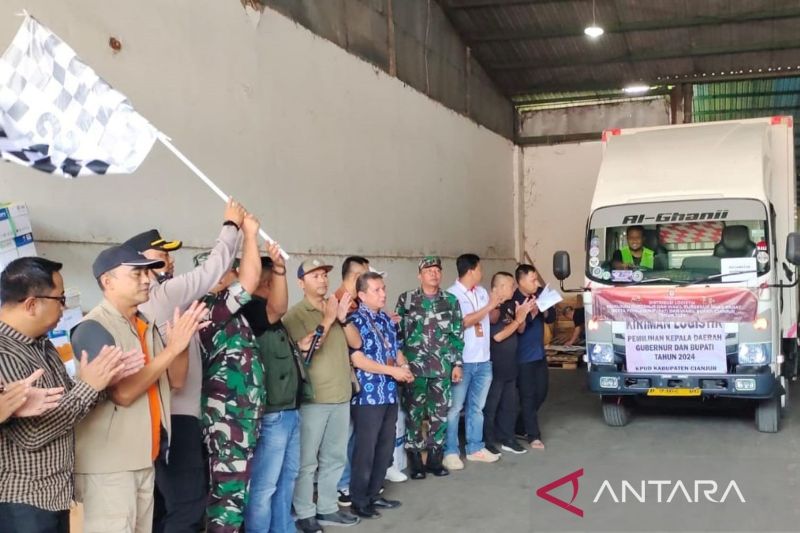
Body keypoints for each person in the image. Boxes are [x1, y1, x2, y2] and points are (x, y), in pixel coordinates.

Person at [126, 199, 246, 533]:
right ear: (143, 263)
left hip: (166, 415)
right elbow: (211, 272)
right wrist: (231, 226)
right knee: (188, 505)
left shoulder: (152, 301)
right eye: (162, 256)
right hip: (175, 418)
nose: (170, 260)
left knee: (166, 505)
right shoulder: (163, 295)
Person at [70, 246, 206, 533]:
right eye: (137, 273)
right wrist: (171, 351)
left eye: (147, 271)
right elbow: (123, 393)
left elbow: (176, 380)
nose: (147, 279)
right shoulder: (93, 327)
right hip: (110, 467)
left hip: (145, 458)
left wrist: (179, 344)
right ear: (108, 282)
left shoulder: (144, 324)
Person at [0, 257, 138, 533]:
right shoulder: (5, 352)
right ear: (31, 304)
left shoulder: (42, 344)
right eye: (60, 299)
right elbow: (32, 434)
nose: (64, 307)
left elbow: (67, 403)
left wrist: (101, 383)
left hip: (53, 496)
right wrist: (89, 386)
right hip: (22, 501)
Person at [196, 214, 266, 533]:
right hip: (227, 419)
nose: (232, 275)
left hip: (240, 415)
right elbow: (250, 281)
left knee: (236, 493)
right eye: (225, 269)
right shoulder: (208, 308)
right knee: (228, 495)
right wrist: (248, 235)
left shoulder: (228, 310)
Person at [283, 258, 362, 532]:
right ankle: (304, 511)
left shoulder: (334, 307)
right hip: (314, 399)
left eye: (324, 275)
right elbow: (305, 351)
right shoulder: (295, 315)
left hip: (340, 396)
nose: (322, 279)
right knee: (307, 461)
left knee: (335, 457)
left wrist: (342, 317)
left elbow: (357, 343)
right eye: (314, 275)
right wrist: (328, 321)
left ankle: (327, 507)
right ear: (300, 282)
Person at [241, 246, 311, 533]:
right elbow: (279, 307)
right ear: (264, 282)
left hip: (289, 410)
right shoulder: (252, 309)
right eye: (273, 281)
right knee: (264, 486)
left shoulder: (271, 317)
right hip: (273, 415)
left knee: (287, 478)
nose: (276, 287)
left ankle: (283, 528)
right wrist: (281, 269)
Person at [348, 272, 413, 519]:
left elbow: (395, 349)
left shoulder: (385, 320)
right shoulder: (355, 321)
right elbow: (358, 359)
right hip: (368, 396)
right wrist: (392, 370)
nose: (383, 294)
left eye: (383, 288)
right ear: (362, 295)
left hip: (388, 392)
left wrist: (403, 366)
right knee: (366, 449)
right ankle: (359, 499)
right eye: (376, 290)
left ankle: (374, 493)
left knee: (385, 447)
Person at [396, 256, 464, 480]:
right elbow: (397, 334)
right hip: (414, 369)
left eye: (437, 270)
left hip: (441, 368)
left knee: (440, 414)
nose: (434, 274)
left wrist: (457, 364)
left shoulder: (451, 301)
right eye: (428, 270)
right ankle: (416, 459)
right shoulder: (406, 300)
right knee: (414, 414)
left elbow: (456, 335)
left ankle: (435, 459)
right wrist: (401, 363)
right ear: (419, 275)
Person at [443, 254, 502, 470]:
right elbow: (462, 322)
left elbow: (491, 318)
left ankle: (475, 448)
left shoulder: (482, 292)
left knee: (477, 407)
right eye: (480, 268)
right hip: (463, 361)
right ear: (470, 270)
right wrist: (489, 307)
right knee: (454, 408)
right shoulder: (451, 295)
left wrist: (497, 302)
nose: (482, 272)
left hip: (483, 359)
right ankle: (450, 451)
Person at [482, 272, 532, 455]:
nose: (513, 289)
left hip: (511, 364)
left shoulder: (511, 304)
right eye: (511, 285)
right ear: (500, 288)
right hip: (496, 365)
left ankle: (507, 438)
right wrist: (518, 319)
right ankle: (487, 441)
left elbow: (520, 330)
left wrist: (522, 314)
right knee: (491, 406)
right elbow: (498, 336)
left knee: (509, 405)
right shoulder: (492, 309)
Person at [334, 256, 370, 506]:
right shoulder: (339, 302)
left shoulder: (357, 303)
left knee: (355, 433)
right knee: (343, 435)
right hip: (342, 377)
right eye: (365, 276)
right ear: (355, 277)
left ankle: (352, 480)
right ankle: (341, 484)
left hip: (356, 379)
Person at [513, 264, 555, 451]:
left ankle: (520, 425)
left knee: (542, 392)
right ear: (521, 281)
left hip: (538, 353)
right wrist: (530, 313)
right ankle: (533, 436)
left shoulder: (538, 294)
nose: (536, 283)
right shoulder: (514, 301)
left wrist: (543, 308)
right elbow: (517, 327)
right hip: (522, 357)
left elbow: (551, 317)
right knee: (528, 396)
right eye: (533, 280)